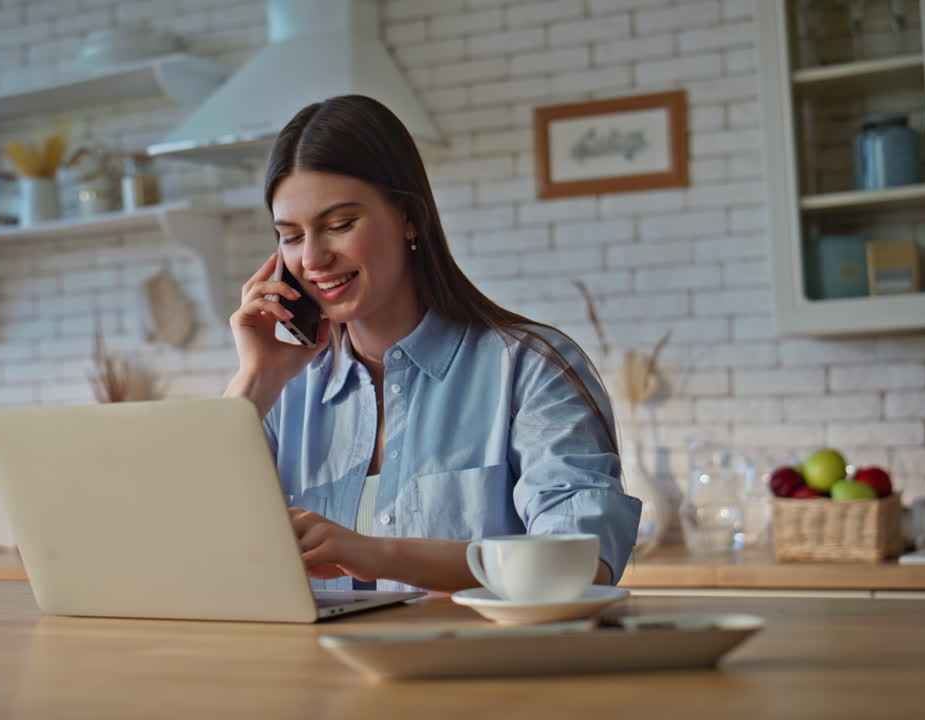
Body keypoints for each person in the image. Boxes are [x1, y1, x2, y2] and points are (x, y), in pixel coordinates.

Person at [224, 94, 641, 594]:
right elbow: (184, 550)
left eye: (339, 226)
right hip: (315, 672)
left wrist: (375, 553)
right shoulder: (283, 393)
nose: (312, 258)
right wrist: (255, 380)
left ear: (409, 218)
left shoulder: (530, 369)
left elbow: (581, 563)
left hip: (482, 669)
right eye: (290, 236)